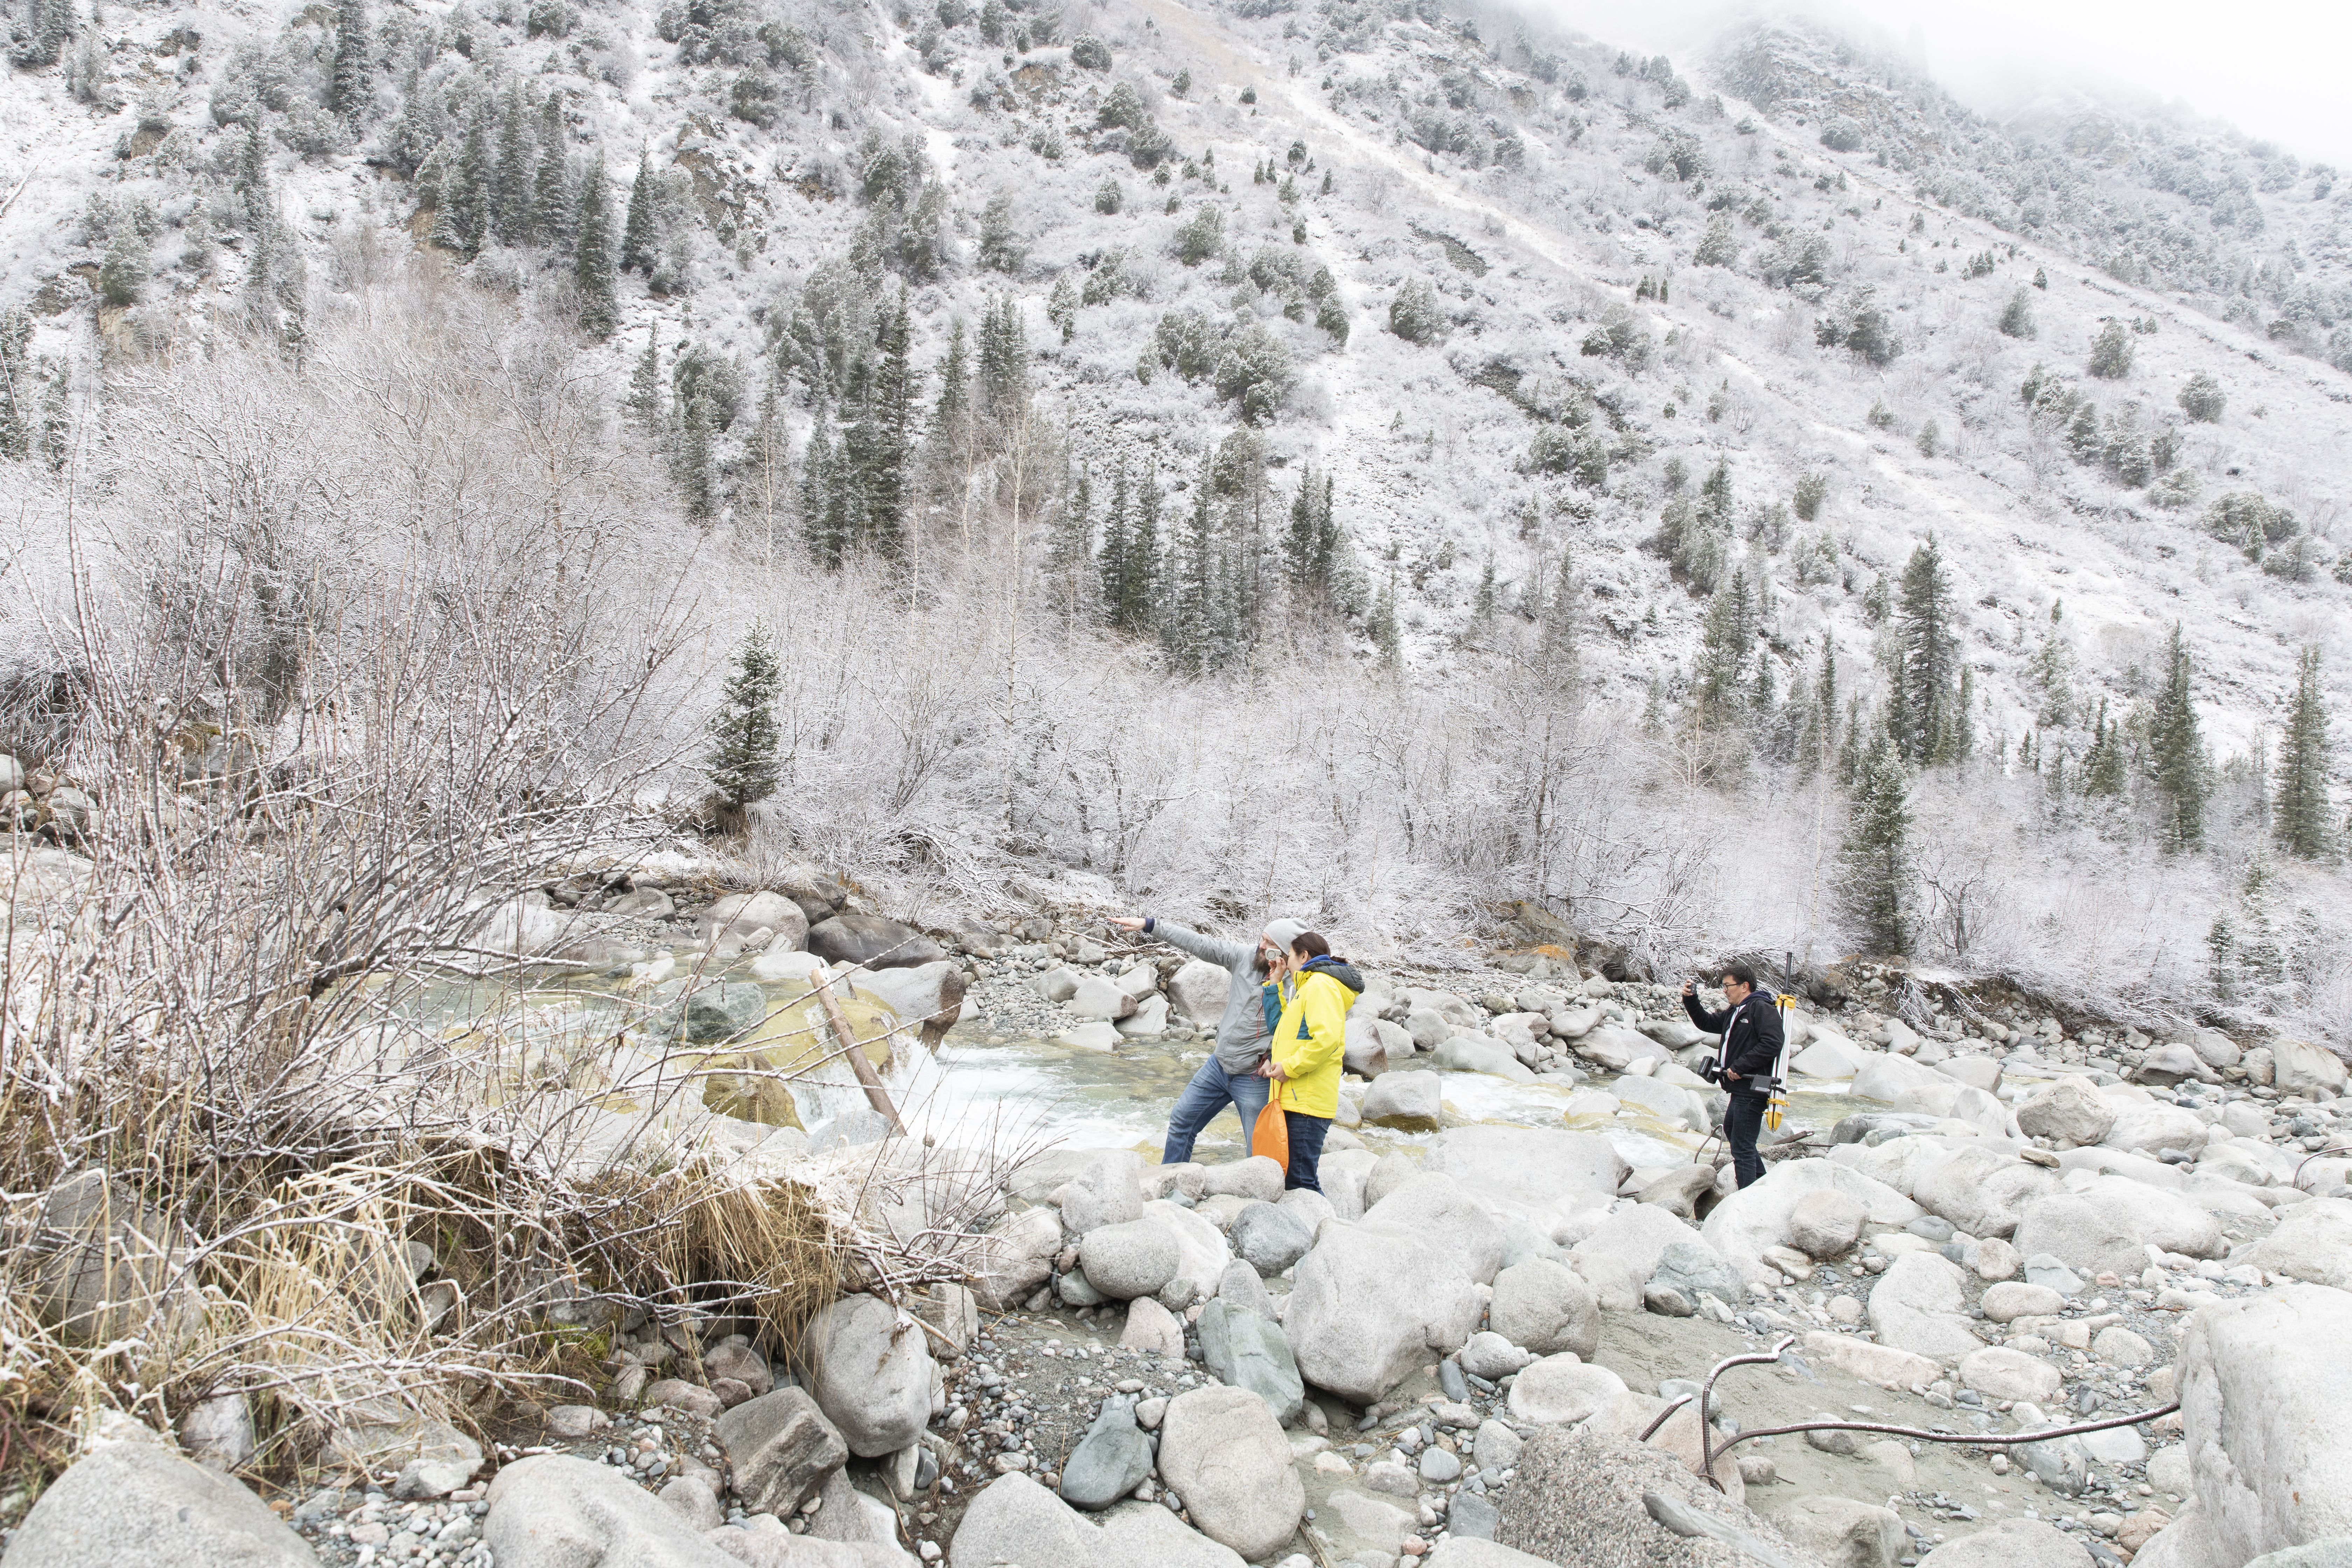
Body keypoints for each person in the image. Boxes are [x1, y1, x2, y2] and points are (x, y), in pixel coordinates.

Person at [1108, 912, 1307, 1166]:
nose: (1262, 946)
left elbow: (1299, 1035)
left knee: (1259, 1152)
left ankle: (1262, 1201)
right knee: (1181, 1122)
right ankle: (1171, 1183)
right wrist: (1152, 926)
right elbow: (1201, 944)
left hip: (1255, 1076)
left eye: (1270, 944)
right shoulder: (1244, 957)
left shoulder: (1297, 986)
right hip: (1219, 1066)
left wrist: (1276, 1059)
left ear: (1285, 953)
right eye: (1262, 939)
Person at [1259, 930, 1363, 1192]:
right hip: (1298, 1096)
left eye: (1290, 955)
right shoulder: (1307, 987)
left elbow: (1326, 1040)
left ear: (1304, 955)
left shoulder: (1319, 986)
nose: (1286, 960)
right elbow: (1281, 1028)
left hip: (1308, 1101)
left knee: (1301, 1180)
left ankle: (1326, 1231)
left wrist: (1290, 1067)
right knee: (1296, 1177)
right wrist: (1275, 984)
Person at [1682, 963, 1784, 1190]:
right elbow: (1706, 1023)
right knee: (1735, 1135)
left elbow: (1774, 1042)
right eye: (1723, 986)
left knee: (1742, 1146)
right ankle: (1761, 1188)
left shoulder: (1760, 1008)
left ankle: (1749, 1198)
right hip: (1740, 1089)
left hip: (1752, 1087)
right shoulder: (1736, 1011)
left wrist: (1740, 1066)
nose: (1724, 990)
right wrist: (1691, 1000)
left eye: (1728, 986)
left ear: (1745, 986)